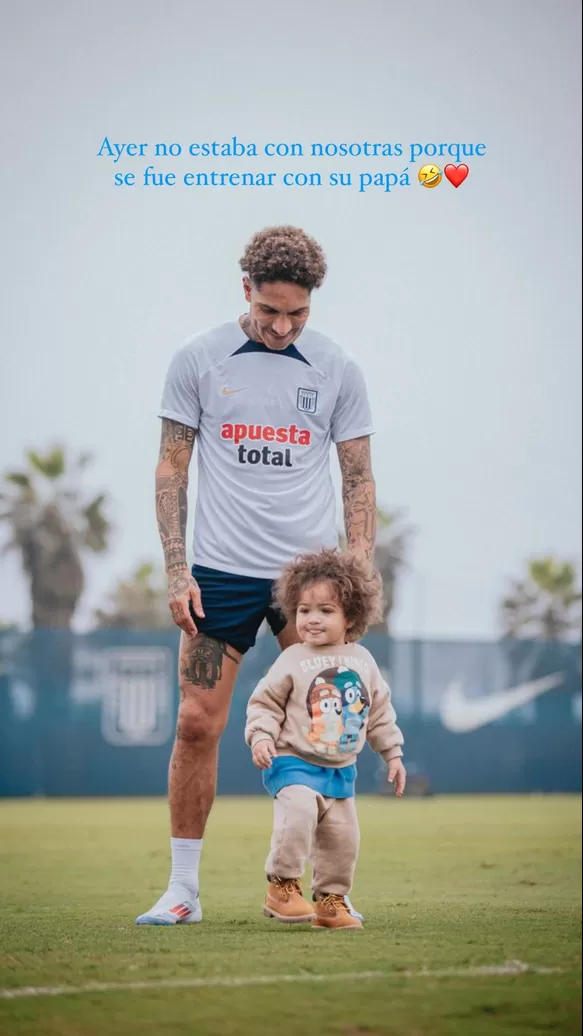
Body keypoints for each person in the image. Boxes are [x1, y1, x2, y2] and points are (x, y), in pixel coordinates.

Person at [136, 226, 378, 925]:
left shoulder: (337, 368)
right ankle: (183, 891)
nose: (281, 326)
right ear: (245, 289)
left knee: (325, 734)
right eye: (270, 310)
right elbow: (171, 467)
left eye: (296, 314)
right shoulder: (198, 359)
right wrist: (176, 568)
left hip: (309, 581)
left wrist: (355, 578)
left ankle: (318, 888)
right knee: (193, 725)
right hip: (218, 572)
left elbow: (357, 478)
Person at [245, 548, 406, 930]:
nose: (312, 619)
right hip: (292, 761)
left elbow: (379, 712)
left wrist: (393, 754)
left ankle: (330, 901)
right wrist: (260, 737)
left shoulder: (364, 661)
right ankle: (281, 887)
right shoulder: (292, 658)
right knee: (298, 813)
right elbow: (264, 703)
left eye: (326, 610)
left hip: (339, 770)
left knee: (343, 838)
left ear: (351, 617)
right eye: (304, 610)